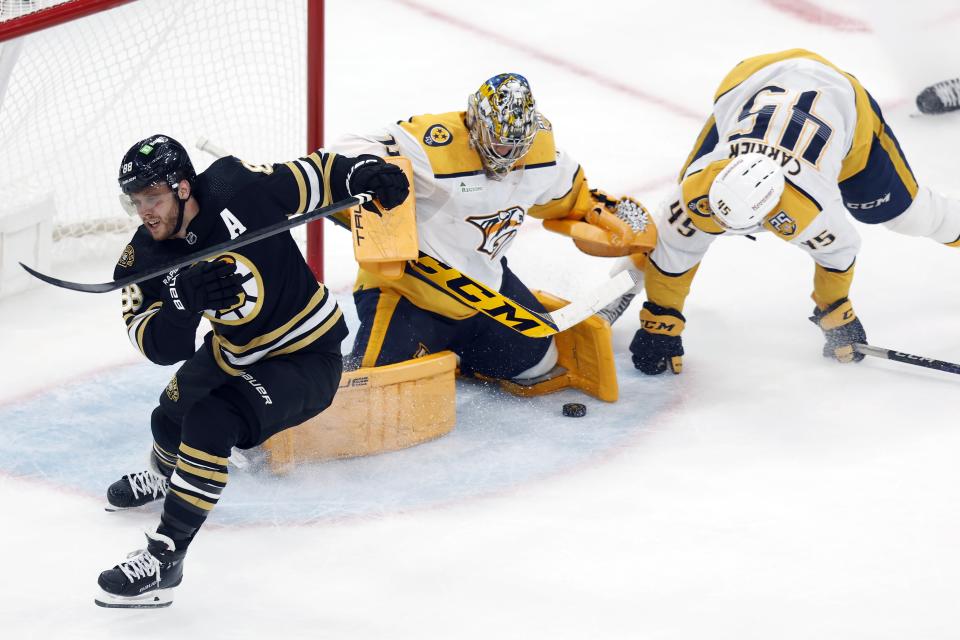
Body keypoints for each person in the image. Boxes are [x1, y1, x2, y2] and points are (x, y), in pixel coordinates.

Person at [96, 134, 409, 608]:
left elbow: (318, 175)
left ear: (184, 187)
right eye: (135, 201)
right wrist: (184, 302)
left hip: (307, 355)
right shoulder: (143, 259)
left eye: (153, 197)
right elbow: (158, 346)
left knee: (210, 422)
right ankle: (166, 474)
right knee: (168, 417)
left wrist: (363, 172)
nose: (145, 211)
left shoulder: (236, 186)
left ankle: (167, 558)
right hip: (234, 351)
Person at [630, 49, 960, 375]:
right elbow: (675, 244)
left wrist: (836, 316)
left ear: (770, 214)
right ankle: (630, 272)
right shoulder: (700, 185)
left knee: (909, 215)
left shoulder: (807, 209)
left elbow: (840, 252)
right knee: (672, 229)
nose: (714, 224)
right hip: (756, 78)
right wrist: (661, 322)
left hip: (841, 101)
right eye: (715, 214)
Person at [330, 73, 649, 388]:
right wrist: (372, 172)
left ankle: (458, 356)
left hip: (487, 292)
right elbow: (347, 147)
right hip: (408, 294)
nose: (507, 156)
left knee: (540, 364)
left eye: (517, 146)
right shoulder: (433, 142)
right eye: (499, 142)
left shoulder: (541, 154)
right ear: (477, 122)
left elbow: (571, 199)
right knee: (372, 387)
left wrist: (599, 215)